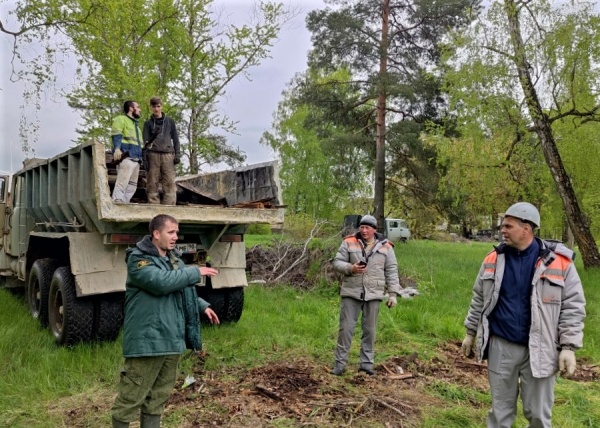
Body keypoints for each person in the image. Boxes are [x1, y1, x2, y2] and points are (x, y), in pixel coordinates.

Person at [461, 202, 586, 428]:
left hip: (541, 347)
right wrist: (470, 332)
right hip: (502, 345)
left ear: (526, 228)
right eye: (503, 226)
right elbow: (479, 298)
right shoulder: (493, 259)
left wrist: (568, 347)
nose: (503, 230)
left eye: (508, 226)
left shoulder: (559, 262)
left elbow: (573, 306)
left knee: (538, 415)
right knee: (500, 413)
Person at [111, 214, 220, 428]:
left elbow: (180, 289)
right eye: (171, 232)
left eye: (177, 232)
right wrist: (194, 272)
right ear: (156, 233)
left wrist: (202, 306)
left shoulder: (174, 259)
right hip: (148, 341)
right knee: (130, 398)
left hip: (172, 339)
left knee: (158, 398)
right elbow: (160, 282)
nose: (175, 237)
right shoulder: (138, 259)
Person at [331, 214, 402, 376]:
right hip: (351, 292)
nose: (363, 230)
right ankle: (339, 365)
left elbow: (391, 270)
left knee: (370, 331)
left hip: (374, 294)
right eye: (361, 227)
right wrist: (351, 268)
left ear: (374, 230)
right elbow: (337, 262)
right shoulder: (349, 242)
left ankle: (366, 365)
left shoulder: (386, 246)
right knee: (346, 330)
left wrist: (392, 295)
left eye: (367, 228)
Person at [142, 96, 181, 205]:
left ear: (161, 106)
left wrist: (177, 154)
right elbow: (145, 142)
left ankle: (169, 206)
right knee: (152, 180)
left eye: (158, 106)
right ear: (151, 107)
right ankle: (153, 205)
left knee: (169, 180)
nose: (156, 109)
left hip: (168, 154)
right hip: (153, 154)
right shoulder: (148, 124)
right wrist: (144, 157)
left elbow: (176, 139)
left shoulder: (170, 122)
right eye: (154, 106)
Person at [111, 100, 144, 203]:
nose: (140, 109)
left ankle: (124, 203)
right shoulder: (121, 119)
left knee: (132, 185)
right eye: (137, 107)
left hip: (136, 159)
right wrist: (117, 148)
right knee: (122, 182)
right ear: (131, 108)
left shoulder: (136, 126)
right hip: (126, 157)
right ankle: (117, 201)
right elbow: (117, 135)